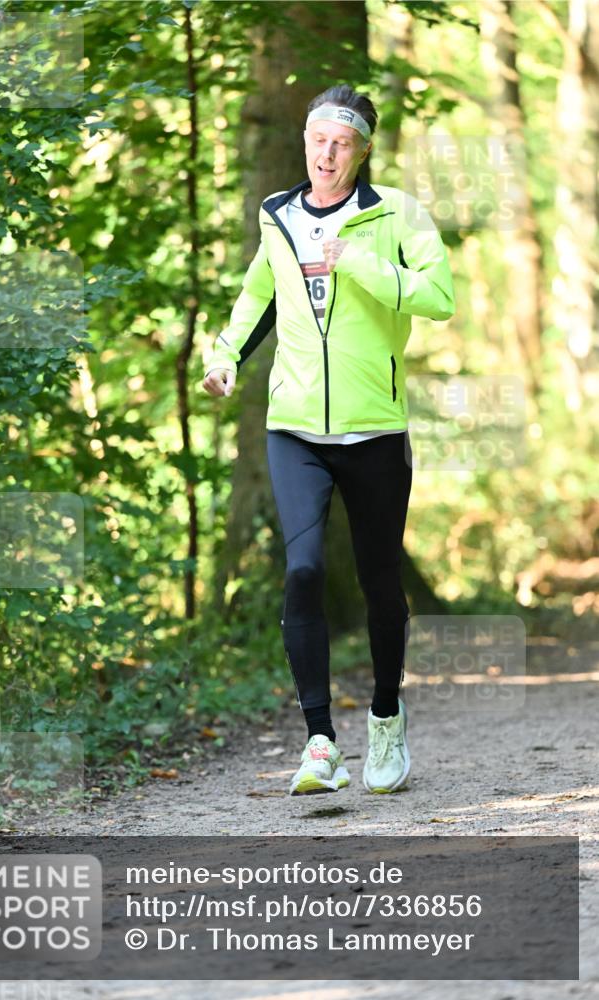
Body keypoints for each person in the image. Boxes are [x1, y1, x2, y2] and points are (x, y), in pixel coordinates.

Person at [202, 84, 455, 796]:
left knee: (379, 581)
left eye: (342, 142)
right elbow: (259, 294)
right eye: (318, 139)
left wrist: (363, 265)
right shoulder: (277, 215)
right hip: (295, 428)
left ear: (363, 150)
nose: (326, 152)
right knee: (304, 570)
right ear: (304, 143)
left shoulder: (394, 213)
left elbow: (440, 297)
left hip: (375, 428)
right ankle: (318, 741)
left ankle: (383, 717)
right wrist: (223, 357)